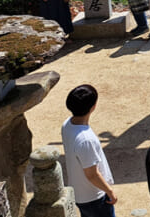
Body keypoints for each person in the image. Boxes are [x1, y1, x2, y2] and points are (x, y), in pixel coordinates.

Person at [62, 84, 117, 217]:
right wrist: (109, 191)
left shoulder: (67, 124)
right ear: (93, 107)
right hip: (94, 197)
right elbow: (92, 174)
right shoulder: (86, 140)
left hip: (80, 192)